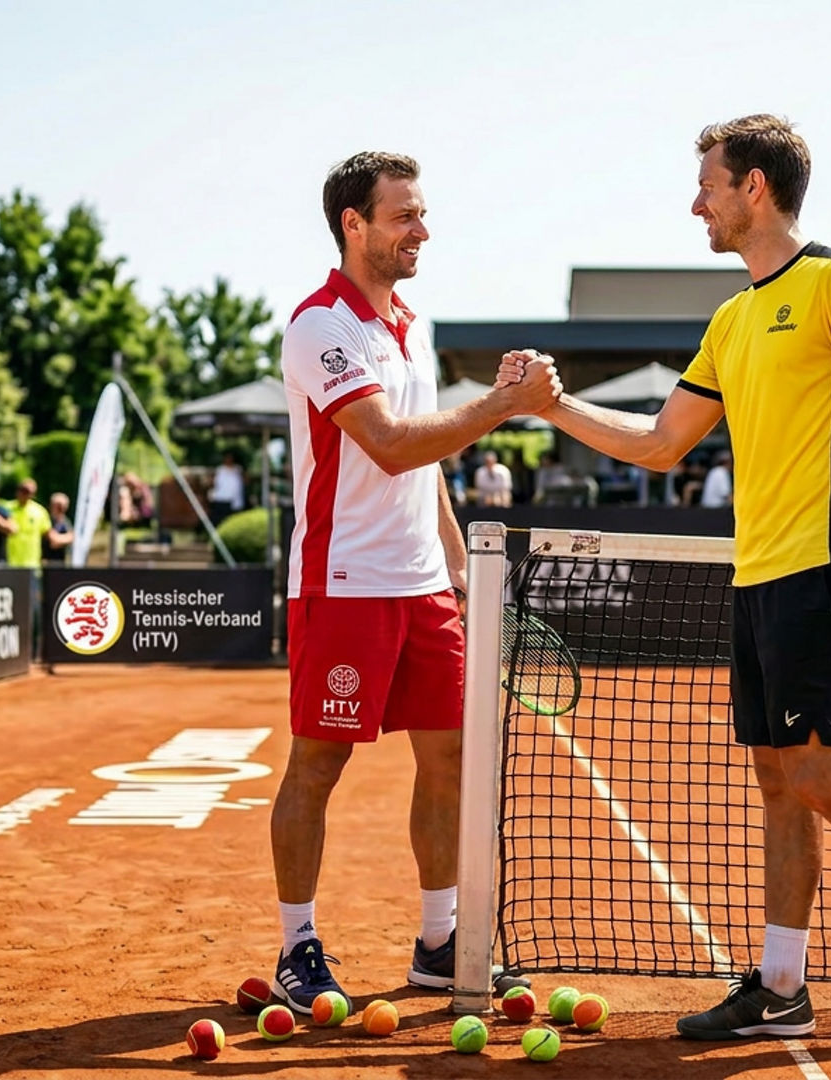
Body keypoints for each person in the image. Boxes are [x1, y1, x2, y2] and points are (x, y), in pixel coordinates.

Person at [497, 114, 831, 1042]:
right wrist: (552, 405)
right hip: (758, 571)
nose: (698, 202)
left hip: (825, 564)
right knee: (778, 781)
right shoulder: (730, 317)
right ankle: (780, 988)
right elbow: (658, 443)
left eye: (709, 185)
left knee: (817, 772)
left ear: (754, 187)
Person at [269, 150, 560, 1017]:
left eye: (422, 214)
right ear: (353, 225)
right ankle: (296, 946)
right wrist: (504, 405)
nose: (421, 231)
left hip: (423, 586)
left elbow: (423, 464)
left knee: (448, 760)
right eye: (403, 216)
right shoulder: (319, 325)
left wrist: (461, 565)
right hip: (344, 583)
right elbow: (391, 441)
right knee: (318, 764)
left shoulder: (409, 323)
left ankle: (439, 943)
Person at [5, 478, 53, 568]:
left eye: (28, 491)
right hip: (9, 563)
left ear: (33, 494)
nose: (24, 494)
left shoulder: (40, 511)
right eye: (22, 490)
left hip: (32, 565)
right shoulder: (6, 508)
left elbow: (50, 536)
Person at [208, 453, 247, 525]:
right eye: (227, 458)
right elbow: (212, 483)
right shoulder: (219, 470)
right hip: (221, 500)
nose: (229, 460)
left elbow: (245, 481)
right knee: (219, 520)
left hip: (235, 501)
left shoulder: (238, 470)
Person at [44, 492, 75, 562]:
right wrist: (66, 538)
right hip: (48, 562)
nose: (61, 508)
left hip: (63, 562)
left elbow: (72, 538)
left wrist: (61, 538)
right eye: (59, 505)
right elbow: (54, 543)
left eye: (64, 505)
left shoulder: (66, 521)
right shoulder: (46, 520)